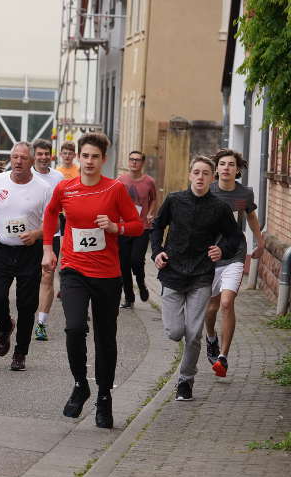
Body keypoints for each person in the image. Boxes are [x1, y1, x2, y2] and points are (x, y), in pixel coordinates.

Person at [42, 132, 143, 429]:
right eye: (85, 156)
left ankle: (103, 397)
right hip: (73, 268)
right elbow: (50, 215)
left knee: (105, 338)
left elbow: (138, 226)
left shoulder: (115, 189)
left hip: (108, 274)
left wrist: (116, 227)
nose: (88, 161)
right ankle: (79, 384)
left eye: (94, 157)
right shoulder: (65, 187)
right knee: (74, 328)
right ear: (78, 157)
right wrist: (48, 249)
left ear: (103, 160)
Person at [150, 156, 241, 401]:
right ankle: (184, 369)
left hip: (201, 275)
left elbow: (235, 238)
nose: (200, 177)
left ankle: (185, 381)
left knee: (194, 334)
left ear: (212, 178)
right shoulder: (174, 200)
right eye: (196, 172)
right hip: (172, 273)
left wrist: (223, 250)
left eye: (205, 173)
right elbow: (157, 227)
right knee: (175, 331)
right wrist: (157, 251)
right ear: (190, 175)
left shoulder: (219, 208)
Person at [0, 142, 51, 371]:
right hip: (0, 248)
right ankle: (5, 326)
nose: (18, 161)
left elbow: (54, 221)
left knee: (27, 305)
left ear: (31, 162)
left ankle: (20, 353)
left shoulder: (43, 188)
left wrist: (38, 234)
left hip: (29, 251)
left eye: (23, 158)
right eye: (15, 157)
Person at [204, 149, 264, 378]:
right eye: (222, 164)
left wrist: (260, 241)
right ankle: (211, 338)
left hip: (235, 254)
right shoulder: (208, 190)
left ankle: (223, 357)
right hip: (210, 255)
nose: (226, 168)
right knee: (211, 308)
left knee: (227, 303)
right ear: (216, 169)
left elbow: (250, 216)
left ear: (237, 169)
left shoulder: (244, 194)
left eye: (231, 164)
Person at [30, 138, 65, 341]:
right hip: (29, 235)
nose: (43, 158)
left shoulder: (58, 178)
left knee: (47, 277)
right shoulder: (27, 175)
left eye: (46, 154)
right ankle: (28, 315)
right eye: (40, 154)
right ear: (34, 155)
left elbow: (66, 206)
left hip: (53, 235)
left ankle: (41, 322)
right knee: (30, 279)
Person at [117, 150, 158, 309]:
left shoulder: (149, 181)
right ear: (128, 162)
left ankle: (141, 284)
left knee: (136, 260)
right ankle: (129, 297)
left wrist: (150, 212)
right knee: (123, 264)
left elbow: (153, 199)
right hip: (124, 227)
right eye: (131, 159)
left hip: (142, 227)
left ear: (142, 163)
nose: (134, 162)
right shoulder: (120, 180)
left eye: (137, 160)